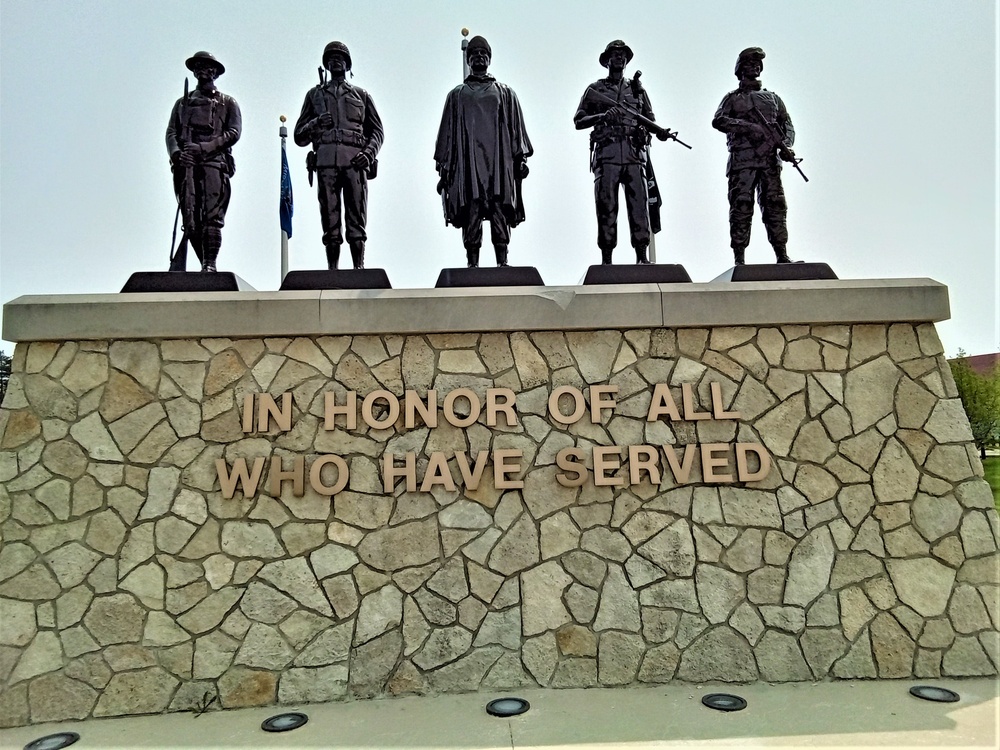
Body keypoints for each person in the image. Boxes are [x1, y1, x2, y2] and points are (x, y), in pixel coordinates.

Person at [434, 36, 532, 268]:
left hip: (498, 163)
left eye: (483, 53)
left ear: (489, 59)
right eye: (474, 53)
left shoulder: (505, 92)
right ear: (468, 60)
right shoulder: (457, 95)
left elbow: (517, 130)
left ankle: (502, 261)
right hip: (468, 164)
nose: (479, 56)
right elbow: (446, 135)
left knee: (499, 209)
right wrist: (445, 168)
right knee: (472, 210)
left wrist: (521, 158)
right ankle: (472, 263)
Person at [574, 40, 669, 265]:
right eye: (615, 54)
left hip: (634, 155)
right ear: (607, 60)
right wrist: (602, 117)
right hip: (607, 155)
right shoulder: (595, 89)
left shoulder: (637, 89)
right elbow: (578, 120)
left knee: (639, 207)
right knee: (606, 207)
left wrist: (658, 132)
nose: (619, 58)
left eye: (623, 55)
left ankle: (641, 256)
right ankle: (607, 260)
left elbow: (650, 120)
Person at [294, 41, 384, 270]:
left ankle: (358, 267)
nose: (336, 61)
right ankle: (332, 269)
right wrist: (316, 123)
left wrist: (369, 154)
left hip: (354, 162)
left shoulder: (361, 95)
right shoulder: (314, 95)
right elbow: (299, 136)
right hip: (325, 163)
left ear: (347, 64)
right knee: (330, 218)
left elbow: (377, 131)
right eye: (331, 58)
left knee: (356, 216)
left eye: (340, 57)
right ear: (325, 64)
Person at [712, 47, 796, 265]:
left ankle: (782, 254)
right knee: (741, 206)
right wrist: (748, 127)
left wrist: (786, 146)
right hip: (743, 162)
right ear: (740, 69)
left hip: (769, 161)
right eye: (749, 64)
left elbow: (787, 125)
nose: (755, 67)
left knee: (775, 205)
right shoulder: (732, 99)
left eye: (758, 64)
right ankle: (739, 257)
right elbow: (719, 120)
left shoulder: (773, 99)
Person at [165, 51, 241, 272]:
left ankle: (210, 264)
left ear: (215, 72)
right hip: (186, 164)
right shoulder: (182, 103)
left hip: (214, 164)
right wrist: (177, 154)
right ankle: (198, 261)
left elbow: (233, 133)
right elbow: (171, 132)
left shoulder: (228, 103)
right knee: (191, 217)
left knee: (212, 217)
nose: (202, 70)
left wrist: (204, 148)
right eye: (198, 66)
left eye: (207, 66)